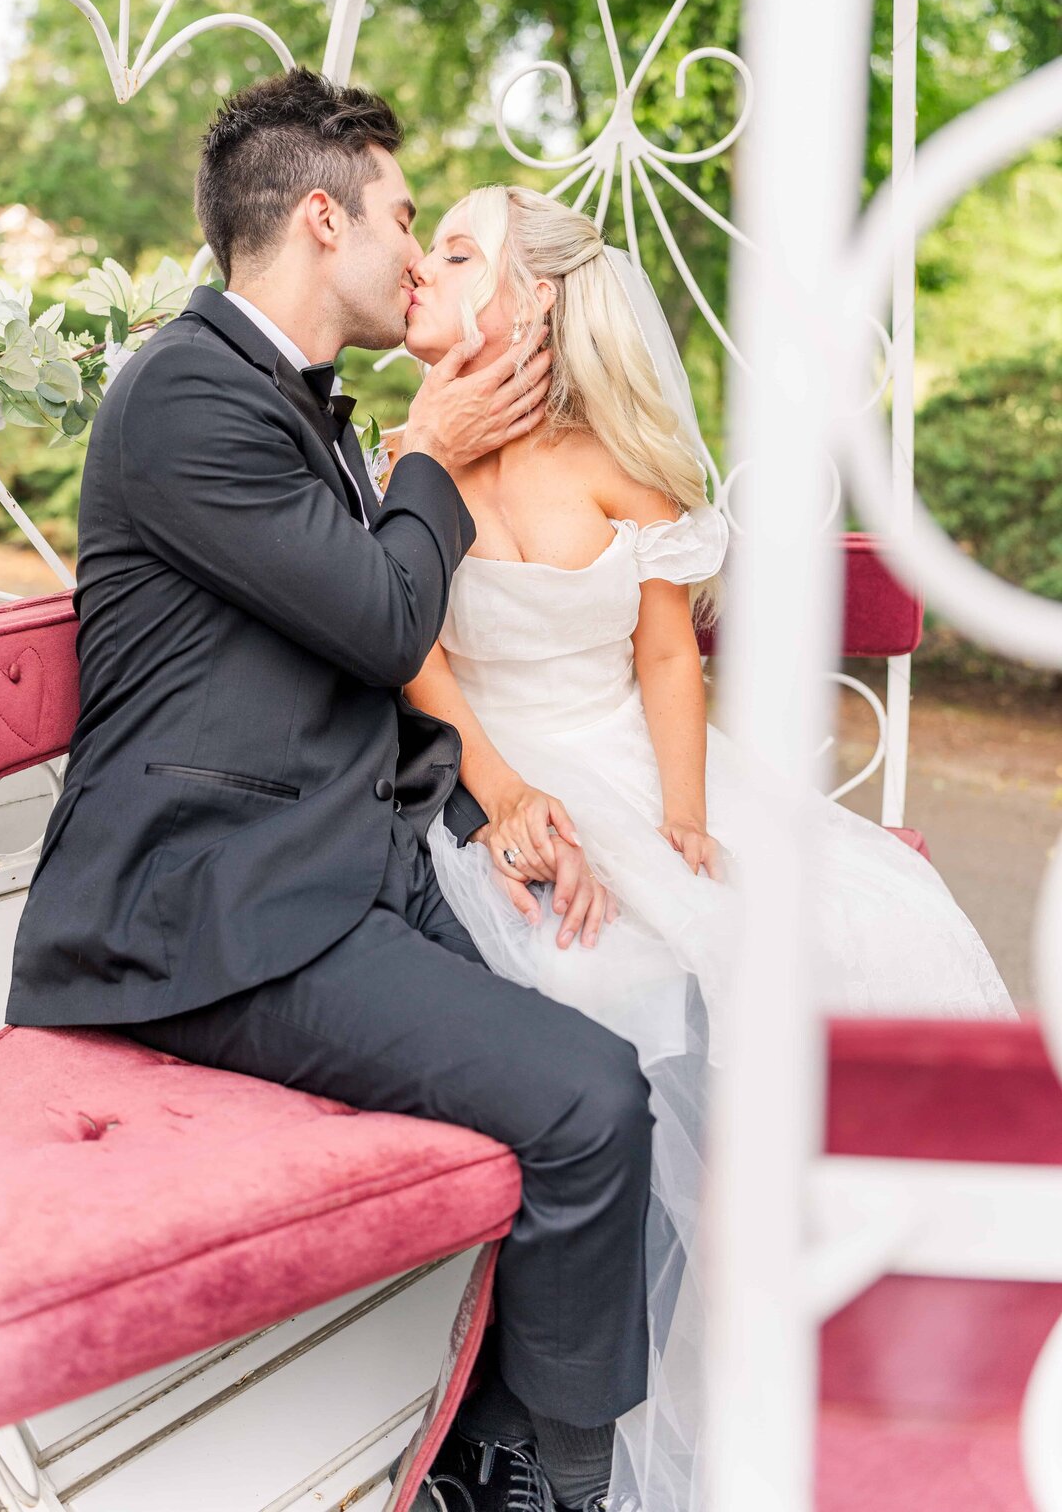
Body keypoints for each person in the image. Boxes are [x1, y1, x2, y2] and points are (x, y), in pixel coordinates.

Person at [5, 70, 655, 1512]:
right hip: (207, 910)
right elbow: (380, 619)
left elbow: (359, 657)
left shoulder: (272, 398)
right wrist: (428, 449)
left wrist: (491, 802)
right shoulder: (184, 393)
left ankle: (481, 1446)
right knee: (595, 1102)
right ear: (320, 217)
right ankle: (538, 1486)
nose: (417, 253)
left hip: (334, 866)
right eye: (403, 218)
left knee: (607, 1042)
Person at [398, 181, 1017, 1511]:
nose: (419, 269)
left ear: (537, 293)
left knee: (858, 924)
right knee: (606, 976)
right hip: (506, 775)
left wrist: (684, 806)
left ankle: (817, 1300)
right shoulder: (412, 459)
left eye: (456, 252)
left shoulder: (611, 458)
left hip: (633, 757)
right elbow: (422, 660)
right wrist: (506, 795)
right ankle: (552, 1376)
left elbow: (667, 652)